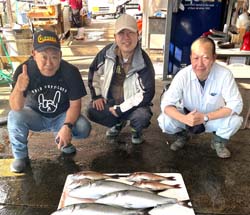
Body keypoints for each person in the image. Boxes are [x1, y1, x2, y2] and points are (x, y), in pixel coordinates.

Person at [7, 29, 91, 173]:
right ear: (34, 54)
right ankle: (21, 157)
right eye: (43, 57)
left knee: (83, 127)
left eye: (54, 57)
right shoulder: (24, 70)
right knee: (14, 117)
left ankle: (62, 139)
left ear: (60, 55)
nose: (49, 63)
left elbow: (75, 104)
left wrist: (67, 127)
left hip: (61, 116)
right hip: (35, 115)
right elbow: (16, 107)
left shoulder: (70, 72)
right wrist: (19, 89)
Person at [158, 37, 243, 158]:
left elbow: (236, 104)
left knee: (235, 120)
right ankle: (183, 135)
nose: (200, 64)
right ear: (190, 58)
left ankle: (218, 141)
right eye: (196, 58)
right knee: (165, 120)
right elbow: (166, 104)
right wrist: (184, 118)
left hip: (213, 117)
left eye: (205, 58)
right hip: (188, 116)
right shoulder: (182, 75)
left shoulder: (224, 74)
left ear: (214, 58)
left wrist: (206, 117)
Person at [87, 13, 155, 145]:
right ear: (115, 37)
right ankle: (118, 123)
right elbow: (93, 71)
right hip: (111, 103)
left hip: (134, 106)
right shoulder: (107, 53)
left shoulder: (143, 62)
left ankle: (135, 129)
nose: (126, 38)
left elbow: (148, 92)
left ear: (138, 34)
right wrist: (97, 95)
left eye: (130, 32)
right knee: (92, 109)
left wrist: (121, 109)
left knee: (142, 117)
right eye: (121, 33)